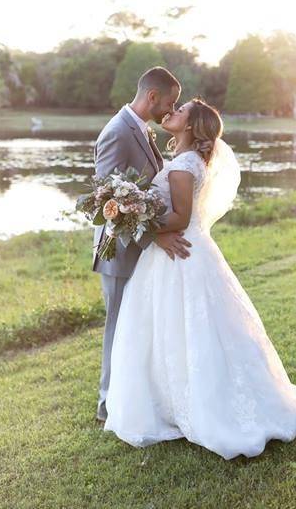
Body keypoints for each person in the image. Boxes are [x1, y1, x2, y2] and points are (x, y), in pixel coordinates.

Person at [102, 98, 296, 459]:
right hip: (182, 253)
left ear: (190, 125)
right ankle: (170, 400)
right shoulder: (185, 160)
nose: (173, 111)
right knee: (174, 328)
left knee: (186, 327)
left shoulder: (184, 165)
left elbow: (181, 219)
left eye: (180, 110)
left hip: (182, 253)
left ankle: (199, 406)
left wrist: (134, 218)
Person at [91, 66, 191, 422]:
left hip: (140, 249)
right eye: (171, 101)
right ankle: (106, 405)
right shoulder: (118, 132)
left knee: (135, 326)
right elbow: (107, 200)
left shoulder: (142, 130)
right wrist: (158, 234)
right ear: (153, 97)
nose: (171, 108)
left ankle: (135, 396)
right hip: (118, 250)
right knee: (117, 327)